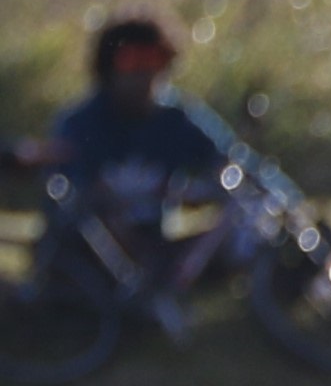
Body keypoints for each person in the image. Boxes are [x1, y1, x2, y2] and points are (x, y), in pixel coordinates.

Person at [13, 18, 243, 322]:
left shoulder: (179, 119)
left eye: (156, 59)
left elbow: (233, 166)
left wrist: (215, 202)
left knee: (246, 227)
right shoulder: (80, 123)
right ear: (107, 68)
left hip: (153, 247)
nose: (145, 73)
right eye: (132, 60)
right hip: (92, 252)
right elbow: (77, 196)